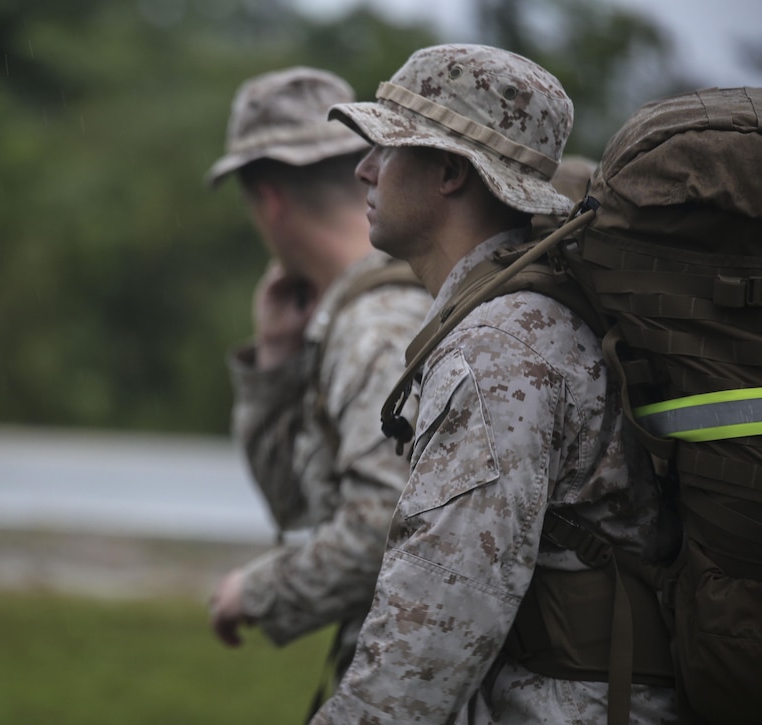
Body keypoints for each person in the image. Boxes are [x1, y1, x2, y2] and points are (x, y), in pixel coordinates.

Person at [311, 44, 678, 723]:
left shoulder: (498, 350)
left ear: (450, 171)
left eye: (387, 149)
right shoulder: (513, 320)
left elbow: (424, 649)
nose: (363, 169)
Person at [203, 66, 433, 706]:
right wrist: (275, 362)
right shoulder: (377, 303)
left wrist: (257, 591)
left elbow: (386, 524)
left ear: (269, 200)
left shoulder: (374, 328)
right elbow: (305, 508)